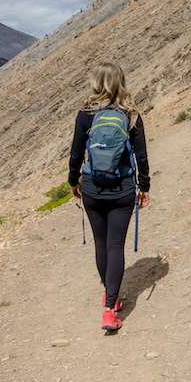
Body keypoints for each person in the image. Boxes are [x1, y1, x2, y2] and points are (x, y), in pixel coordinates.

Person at [69, 62, 151, 331]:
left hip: (92, 188)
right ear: (120, 82)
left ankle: (110, 296)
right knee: (115, 246)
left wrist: (74, 182)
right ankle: (109, 309)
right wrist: (144, 186)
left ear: (96, 82)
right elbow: (141, 155)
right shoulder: (131, 114)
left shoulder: (85, 113)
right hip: (122, 190)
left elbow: (76, 153)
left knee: (101, 244)